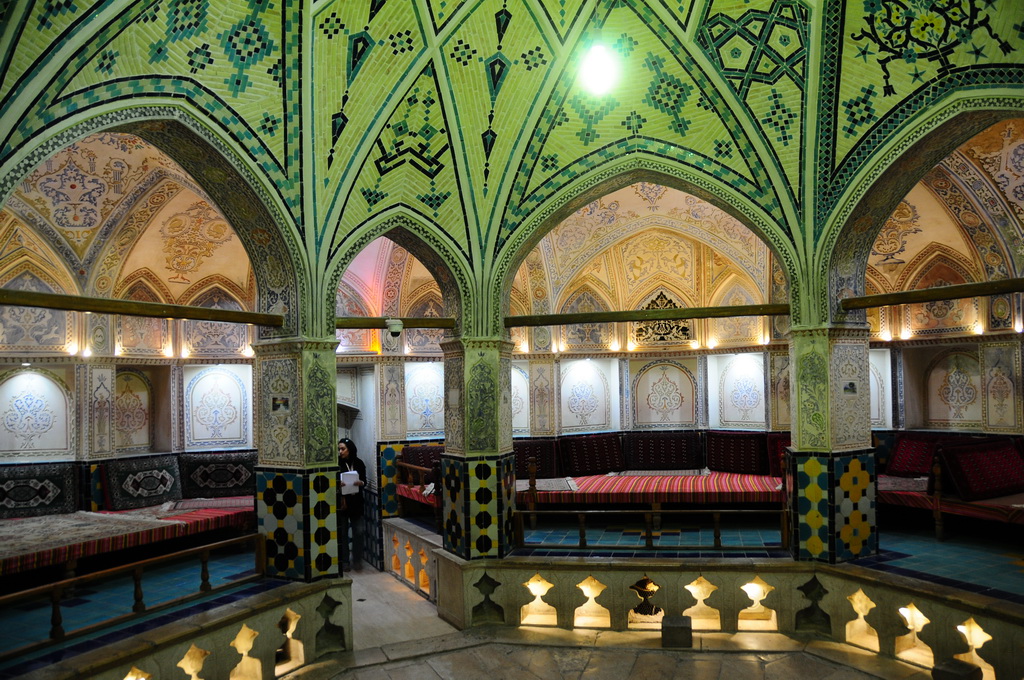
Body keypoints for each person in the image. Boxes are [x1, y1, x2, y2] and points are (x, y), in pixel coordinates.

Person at [337, 437, 366, 570]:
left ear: (350, 449)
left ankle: (357, 560)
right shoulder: (337, 464)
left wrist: (361, 483)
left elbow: (364, 480)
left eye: (343, 449)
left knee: (358, 532)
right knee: (342, 533)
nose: (340, 452)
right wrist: (338, 485)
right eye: (339, 449)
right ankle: (344, 561)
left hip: (356, 502)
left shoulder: (359, 463)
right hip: (342, 503)